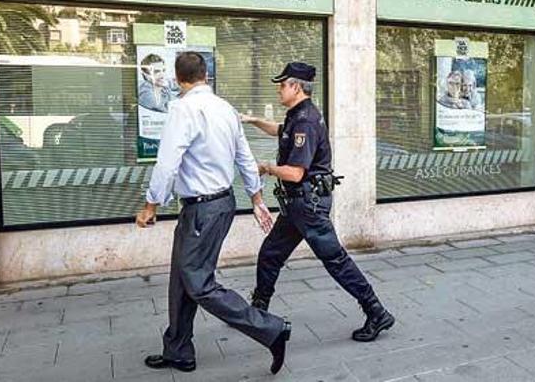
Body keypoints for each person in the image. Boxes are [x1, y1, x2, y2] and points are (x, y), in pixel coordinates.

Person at [135, 52, 291, 374]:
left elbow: (167, 163)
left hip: (202, 210)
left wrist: (151, 205)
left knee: (198, 282)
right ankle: (178, 349)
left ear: (179, 80)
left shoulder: (183, 108)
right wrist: (257, 198)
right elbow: (245, 158)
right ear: (205, 75)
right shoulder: (225, 109)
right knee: (182, 278)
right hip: (220, 205)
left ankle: (270, 329)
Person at [242, 62, 395, 342]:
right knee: (270, 254)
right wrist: (251, 121)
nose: (279, 89)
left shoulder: (306, 121)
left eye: (282, 84)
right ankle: (258, 310)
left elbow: (296, 172)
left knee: (335, 260)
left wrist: (265, 167)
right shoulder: (296, 116)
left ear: (296, 87)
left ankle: (376, 311)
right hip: (298, 206)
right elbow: (278, 130)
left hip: (308, 205)